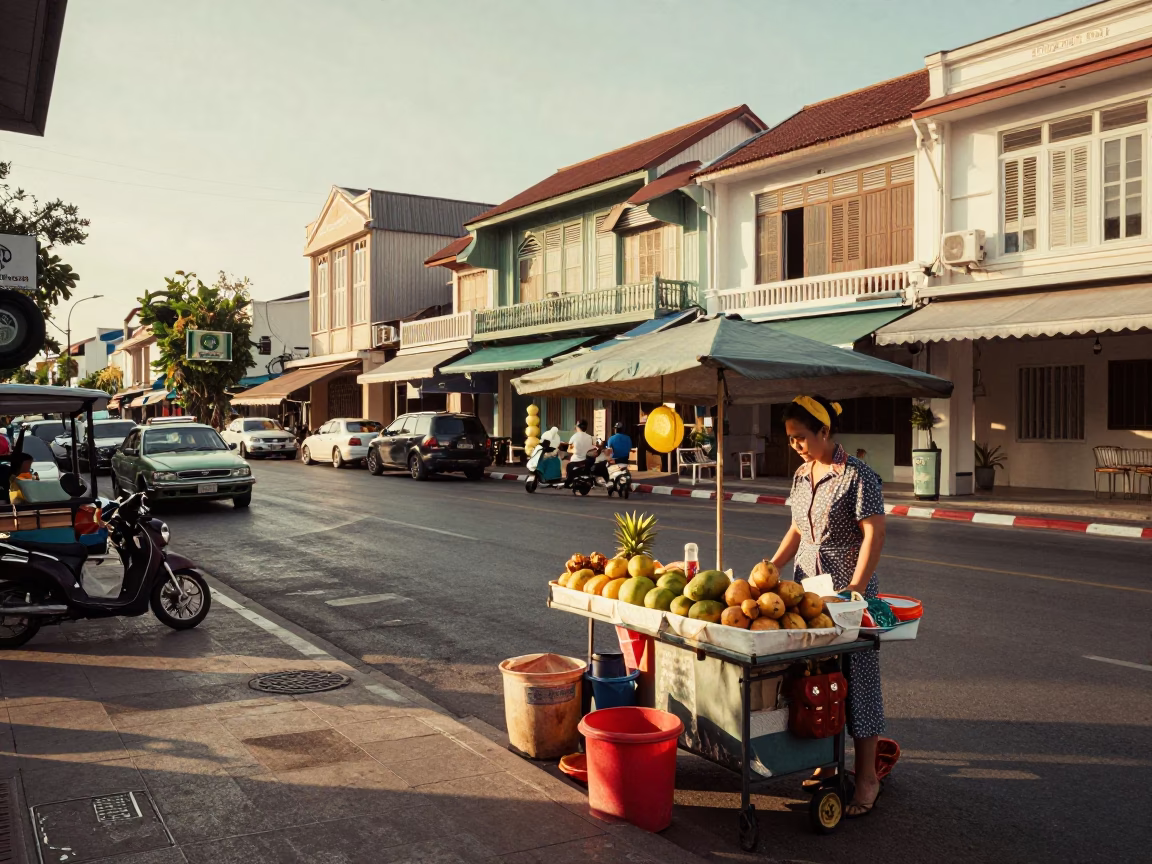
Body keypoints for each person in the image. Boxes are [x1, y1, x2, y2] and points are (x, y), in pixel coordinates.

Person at [767, 394, 887, 819]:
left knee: (858, 679)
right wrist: (774, 563)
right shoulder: (802, 475)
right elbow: (798, 528)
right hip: (806, 587)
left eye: (802, 437)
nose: (796, 445)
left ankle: (868, 775)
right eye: (791, 439)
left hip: (848, 591)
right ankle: (828, 760)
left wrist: (855, 586)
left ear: (824, 431)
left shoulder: (858, 476)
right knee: (816, 676)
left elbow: (873, 534)